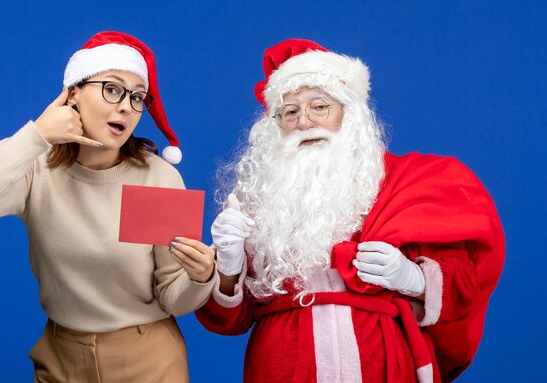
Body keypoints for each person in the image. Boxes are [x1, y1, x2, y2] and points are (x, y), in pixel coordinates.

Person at [196, 39, 505, 383]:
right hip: (283, 362)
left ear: (348, 113)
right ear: (276, 126)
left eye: (319, 106)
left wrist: (413, 278)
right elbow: (229, 322)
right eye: (290, 111)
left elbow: (467, 279)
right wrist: (228, 266)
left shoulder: (403, 184)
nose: (304, 121)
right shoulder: (257, 201)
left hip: (383, 358)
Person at [0, 31, 217, 383]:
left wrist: (201, 277)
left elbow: (173, 297)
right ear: (73, 92)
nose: (126, 105)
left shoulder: (157, 177)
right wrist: (38, 134)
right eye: (112, 89)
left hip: (148, 360)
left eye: (138, 97)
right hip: (61, 358)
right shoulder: (37, 168)